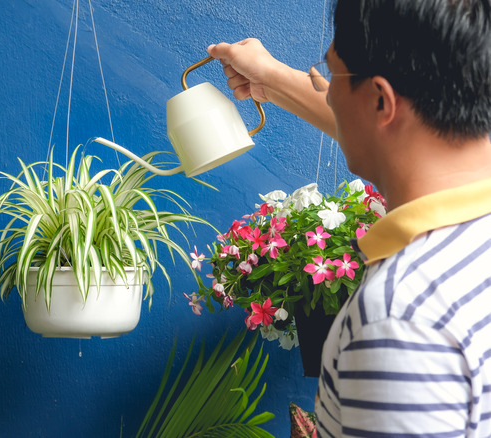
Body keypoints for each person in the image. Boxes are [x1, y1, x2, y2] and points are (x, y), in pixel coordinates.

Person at [207, 0, 491, 436]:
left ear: (381, 101)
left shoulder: (399, 320)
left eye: (331, 71)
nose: (328, 90)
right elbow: (397, 135)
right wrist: (274, 80)